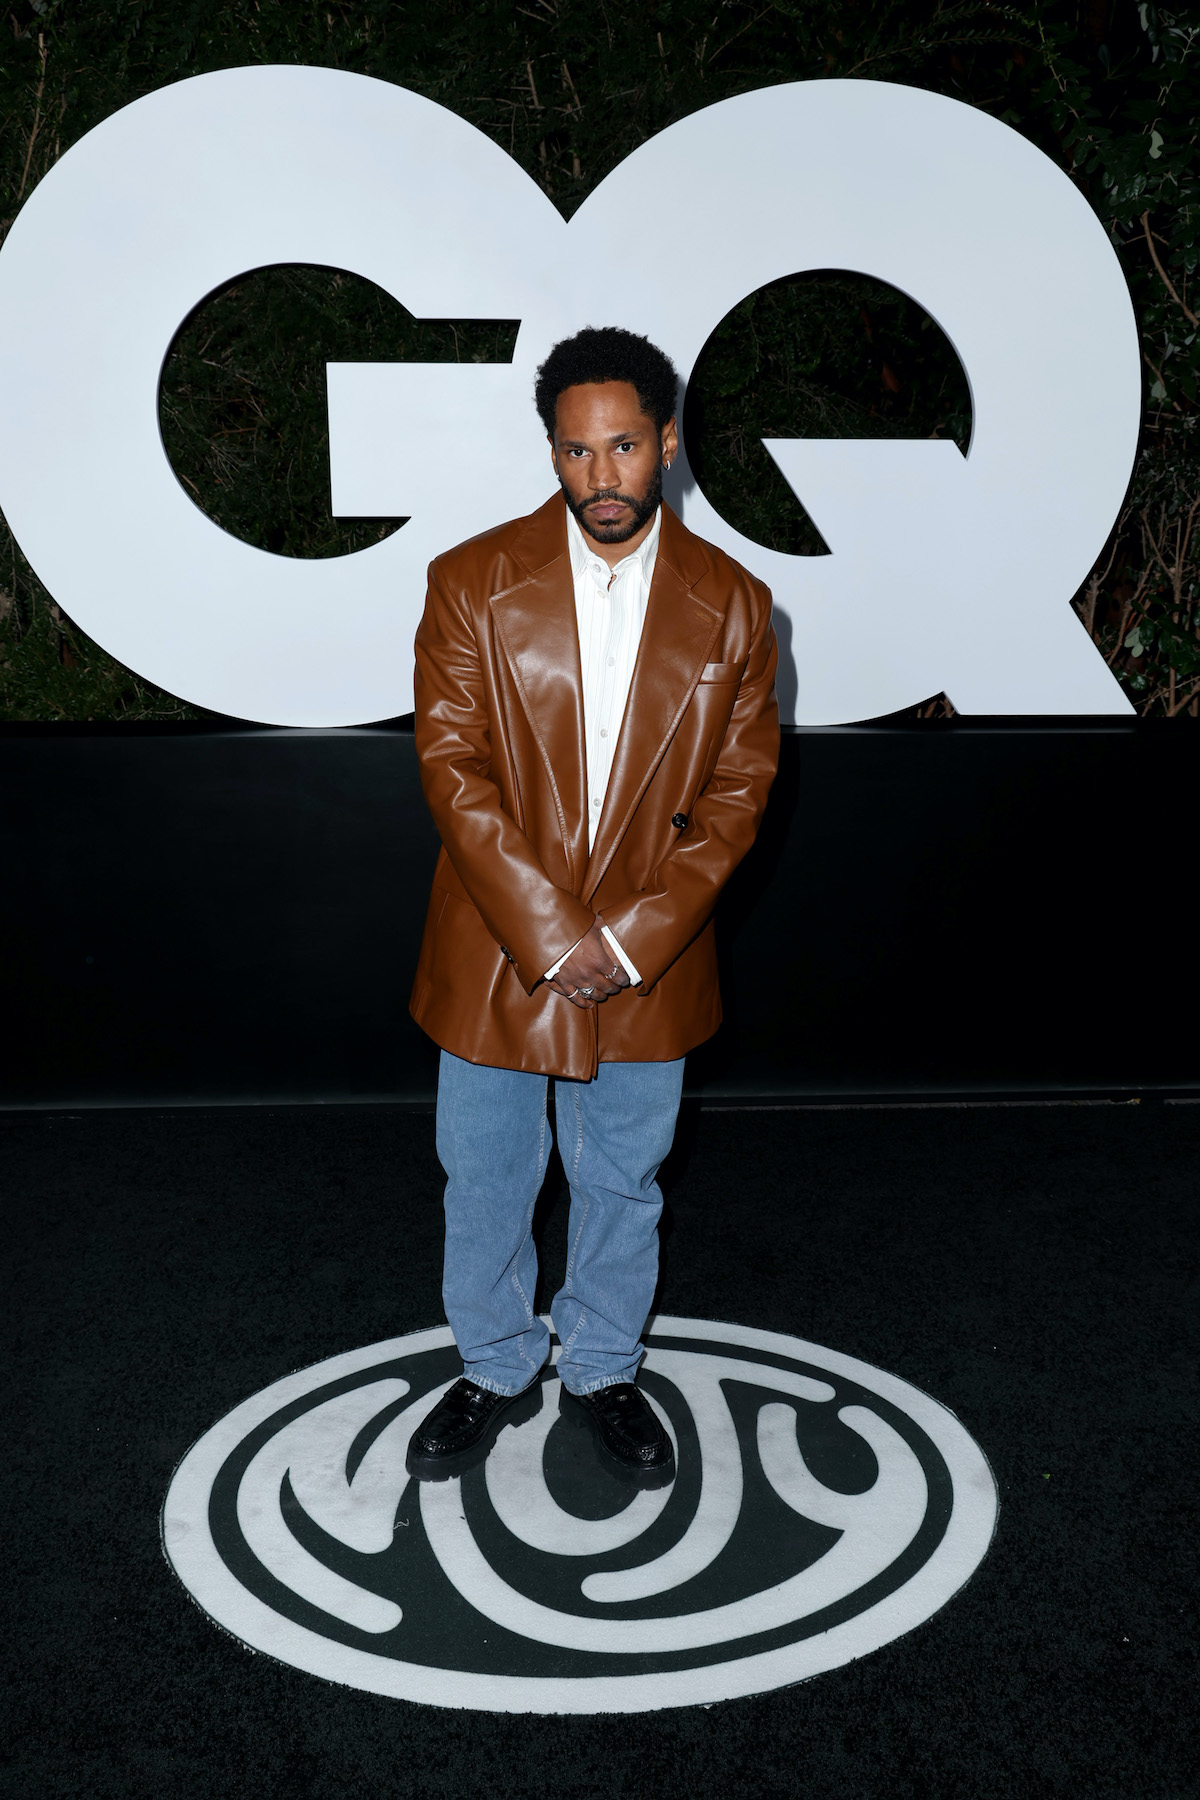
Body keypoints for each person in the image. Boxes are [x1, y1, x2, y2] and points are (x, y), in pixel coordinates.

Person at [405, 325, 779, 1490]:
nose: (600, 474)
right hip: (498, 947)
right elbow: (452, 770)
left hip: (650, 954)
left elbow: (740, 792)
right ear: (553, 452)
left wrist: (628, 939)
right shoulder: (470, 581)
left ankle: (606, 1368)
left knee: (622, 1180)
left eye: (623, 446)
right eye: (576, 450)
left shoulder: (735, 603)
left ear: (667, 443)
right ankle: (495, 1363)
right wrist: (552, 933)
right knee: (485, 1175)